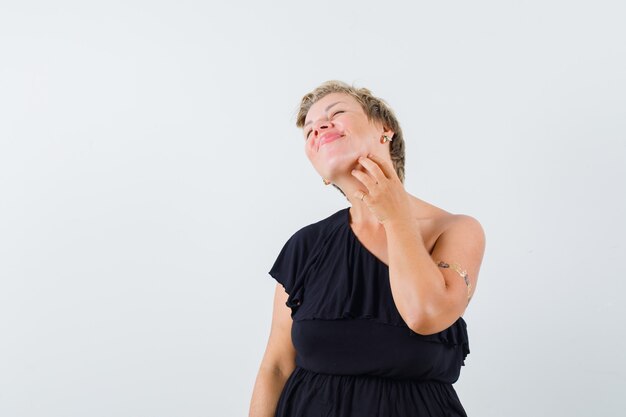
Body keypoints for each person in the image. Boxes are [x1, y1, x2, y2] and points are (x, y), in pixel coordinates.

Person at [249, 80, 486, 417]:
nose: (319, 127)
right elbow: (275, 367)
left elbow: (425, 314)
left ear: (384, 130)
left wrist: (394, 216)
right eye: (310, 130)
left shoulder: (456, 230)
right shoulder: (306, 245)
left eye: (336, 113)